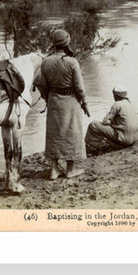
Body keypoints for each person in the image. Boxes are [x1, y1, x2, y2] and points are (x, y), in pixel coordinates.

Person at [33, 29, 90, 179]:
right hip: (70, 101)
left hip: (53, 100)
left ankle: (53, 170)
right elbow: (80, 87)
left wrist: (48, 98)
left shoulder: (45, 62)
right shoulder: (72, 62)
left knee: (54, 133)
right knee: (72, 132)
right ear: (67, 43)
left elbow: (41, 84)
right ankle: (70, 170)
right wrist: (84, 102)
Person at [84, 86, 138, 155]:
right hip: (137, 137)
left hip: (126, 139)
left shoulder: (117, 104)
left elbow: (105, 121)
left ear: (116, 96)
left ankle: (91, 145)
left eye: (114, 95)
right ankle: (103, 143)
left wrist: (110, 122)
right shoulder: (129, 103)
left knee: (94, 124)